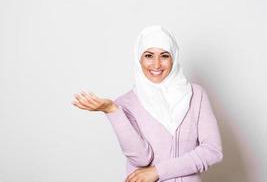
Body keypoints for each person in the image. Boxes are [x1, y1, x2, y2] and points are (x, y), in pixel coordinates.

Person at [72, 25, 223, 182]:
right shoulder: (125, 103)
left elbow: (212, 151)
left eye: (164, 56)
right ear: (139, 58)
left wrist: (158, 171)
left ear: (174, 58)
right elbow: (141, 159)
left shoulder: (196, 95)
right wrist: (112, 110)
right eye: (149, 56)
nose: (156, 65)